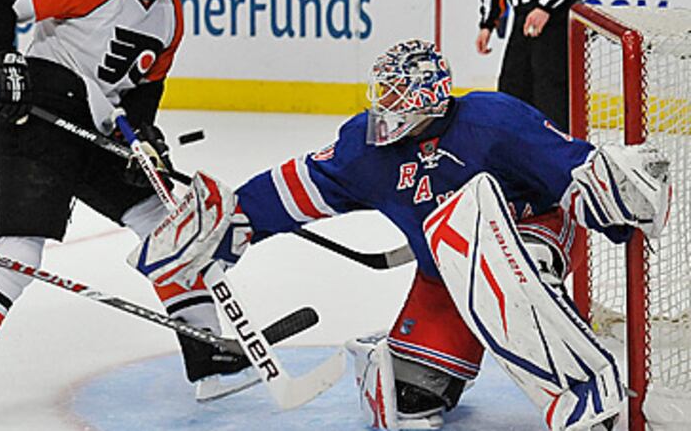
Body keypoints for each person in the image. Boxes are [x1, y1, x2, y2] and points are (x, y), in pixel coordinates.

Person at [132, 39, 670, 430]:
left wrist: (619, 194)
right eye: (381, 91)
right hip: (444, 272)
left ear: (430, 97)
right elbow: (304, 186)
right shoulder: (367, 150)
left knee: (513, 263)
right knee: (408, 403)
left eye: (396, 94)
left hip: (533, 236)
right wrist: (233, 222)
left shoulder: (494, 121)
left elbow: (573, 175)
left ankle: (585, 398)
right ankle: (394, 355)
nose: (383, 104)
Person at [0, 0, 250, 424]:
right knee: (19, 248)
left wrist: (145, 135)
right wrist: (3, 62)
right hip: (39, 119)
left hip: (101, 132)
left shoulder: (170, 14)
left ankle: (205, 350)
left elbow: (143, 96)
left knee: (169, 224)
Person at [475, 0, 582, 132]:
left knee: (549, 87)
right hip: (524, 14)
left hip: (554, 14)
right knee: (512, 86)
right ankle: (517, 145)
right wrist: (487, 23)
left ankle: (556, 148)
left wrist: (546, 6)